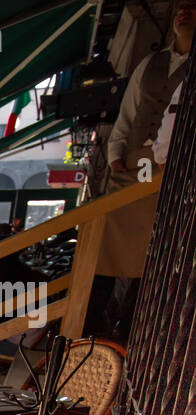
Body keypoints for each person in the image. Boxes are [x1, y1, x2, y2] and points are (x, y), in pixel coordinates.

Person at [100, 0, 191, 276]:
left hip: (176, 166)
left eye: (193, 9)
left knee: (163, 236)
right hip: (137, 161)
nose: (185, 12)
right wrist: (116, 157)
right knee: (119, 238)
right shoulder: (151, 62)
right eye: (182, 8)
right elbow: (129, 109)